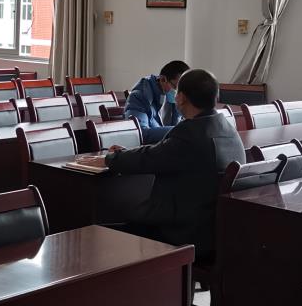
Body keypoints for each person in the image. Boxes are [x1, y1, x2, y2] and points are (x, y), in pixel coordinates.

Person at [101, 68, 245, 259]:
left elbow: (148, 158)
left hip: (181, 234)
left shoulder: (190, 134)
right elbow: (162, 153)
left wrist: (112, 158)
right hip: (213, 232)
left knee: (106, 225)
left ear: (181, 98)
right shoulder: (227, 128)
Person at [124, 59, 190, 142]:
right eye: (177, 88)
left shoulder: (178, 97)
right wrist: (180, 131)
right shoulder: (139, 96)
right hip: (149, 148)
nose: (180, 94)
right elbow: (141, 134)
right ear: (163, 80)